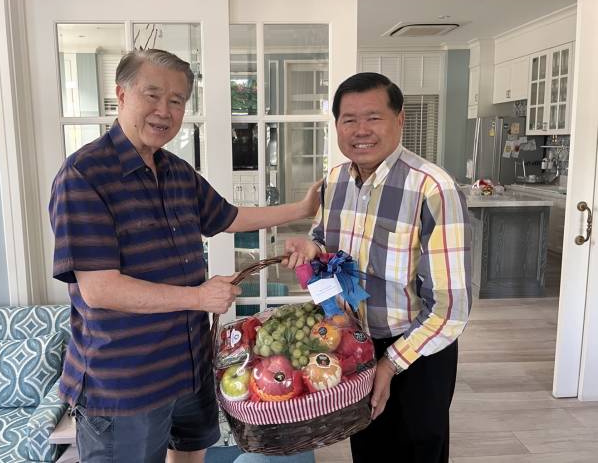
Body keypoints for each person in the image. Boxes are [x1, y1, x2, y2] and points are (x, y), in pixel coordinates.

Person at [49, 48, 320, 463]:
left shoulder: (177, 172)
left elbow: (229, 216)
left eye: (176, 100)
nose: (165, 110)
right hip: (127, 381)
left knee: (192, 454)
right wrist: (198, 297)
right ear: (121, 94)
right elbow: (100, 289)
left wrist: (301, 210)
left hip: (189, 364)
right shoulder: (84, 176)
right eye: (152, 95)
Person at [284, 72, 471, 463]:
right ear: (337, 125)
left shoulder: (433, 188)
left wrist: (389, 364)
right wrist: (313, 246)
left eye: (373, 117)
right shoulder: (335, 180)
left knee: (418, 449)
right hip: (356, 345)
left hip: (417, 351)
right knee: (368, 448)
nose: (361, 130)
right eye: (349, 119)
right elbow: (325, 239)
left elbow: (450, 308)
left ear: (399, 119)